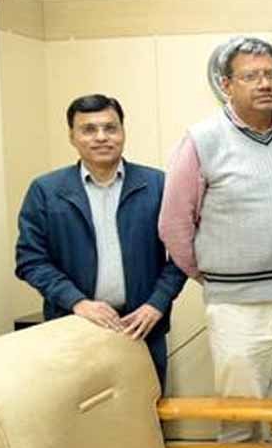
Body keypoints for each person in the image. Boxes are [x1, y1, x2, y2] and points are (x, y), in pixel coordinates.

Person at [159, 36, 272, 448]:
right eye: (251, 76)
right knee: (241, 418)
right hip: (236, 307)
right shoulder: (201, 140)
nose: (265, 83)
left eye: (271, 73)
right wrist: (214, 274)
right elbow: (174, 224)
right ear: (226, 84)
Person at [15, 94, 186, 390]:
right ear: (72, 136)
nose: (101, 137)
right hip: (73, 328)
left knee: (146, 410)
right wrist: (77, 302)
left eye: (110, 128)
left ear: (123, 131)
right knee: (81, 413)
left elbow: (183, 252)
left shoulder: (157, 185)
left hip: (140, 329)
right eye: (89, 129)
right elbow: (30, 260)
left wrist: (156, 304)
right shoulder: (46, 190)